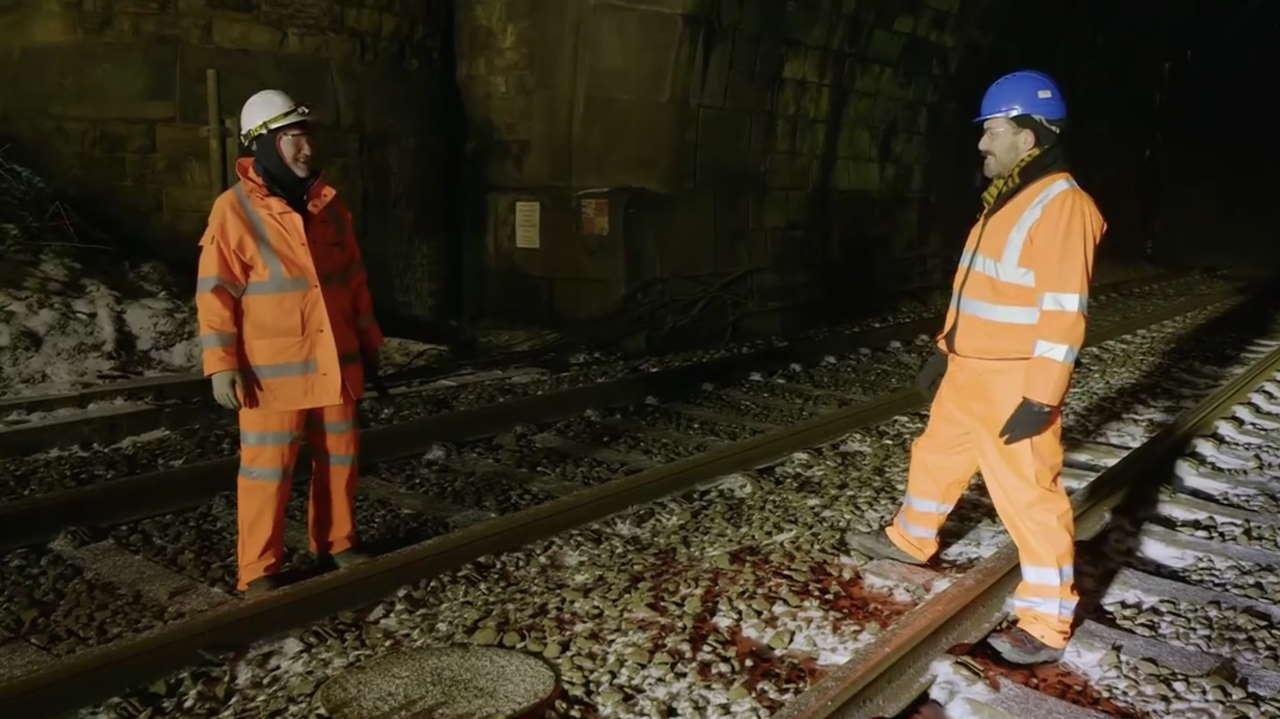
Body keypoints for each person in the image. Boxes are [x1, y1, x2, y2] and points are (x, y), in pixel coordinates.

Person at [847, 70, 1106, 663]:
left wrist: (1041, 397)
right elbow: (977, 292)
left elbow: (1063, 312)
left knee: (1028, 495)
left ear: (1029, 136)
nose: (982, 142)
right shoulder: (1008, 199)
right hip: (971, 369)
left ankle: (1045, 622)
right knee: (936, 454)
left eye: (993, 130)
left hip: (1015, 377)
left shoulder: (1064, 205)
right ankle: (911, 539)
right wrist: (944, 349)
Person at [194, 89, 383, 597]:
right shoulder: (232, 210)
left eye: (306, 138)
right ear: (264, 144)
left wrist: (369, 345)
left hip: (335, 363)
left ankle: (338, 542)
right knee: (265, 471)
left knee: (340, 458)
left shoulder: (329, 205)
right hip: (270, 375)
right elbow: (215, 293)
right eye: (293, 139)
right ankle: (258, 570)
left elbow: (353, 281)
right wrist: (221, 365)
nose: (306, 150)